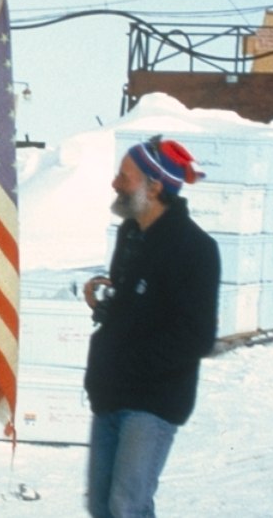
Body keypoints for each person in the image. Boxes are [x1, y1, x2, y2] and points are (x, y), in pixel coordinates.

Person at [82, 136, 219, 518]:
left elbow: (197, 336)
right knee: (100, 506)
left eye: (123, 176)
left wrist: (132, 363)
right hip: (111, 392)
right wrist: (107, 307)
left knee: (127, 506)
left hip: (153, 401)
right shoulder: (130, 234)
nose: (114, 183)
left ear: (154, 187)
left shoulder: (196, 249)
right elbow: (138, 307)